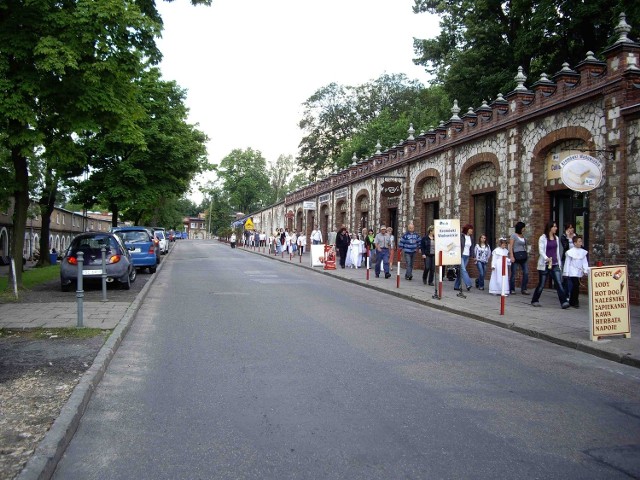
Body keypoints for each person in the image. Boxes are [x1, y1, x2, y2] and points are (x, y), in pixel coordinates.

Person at [531, 220, 570, 309]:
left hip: (555, 263)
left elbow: (557, 251)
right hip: (545, 264)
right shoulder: (543, 238)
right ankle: (535, 300)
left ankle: (564, 302)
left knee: (558, 283)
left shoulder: (556, 238)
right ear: (550, 228)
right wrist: (546, 258)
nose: (556, 228)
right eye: (554, 227)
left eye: (556, 227)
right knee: (542, 284)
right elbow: (541, 250)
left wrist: (559, 263)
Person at [562, 235, 589, 308]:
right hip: (572, 271)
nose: (581, 243)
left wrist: (585, 270)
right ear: (575, 243)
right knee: (576, 285)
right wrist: (566, 273)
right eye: (579, 241)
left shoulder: (583, 252)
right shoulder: (570, 252)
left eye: (581, 241)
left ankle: (571, 301)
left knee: (576, 286)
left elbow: (584, 262)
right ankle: (576, 301)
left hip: (579, 271)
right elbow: (567, 263)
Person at [509, 221, 529, 294]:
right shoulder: (514, 236)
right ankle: (512, 289)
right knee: (513, 273)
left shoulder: (523, 236)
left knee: (526, 272)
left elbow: (525, 245)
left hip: (523, 255)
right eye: (523, 227)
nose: (524, 229)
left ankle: (524, 288)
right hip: (516, 255)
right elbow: (511, 246)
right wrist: (511, 256)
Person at [454, 224, 475, 292]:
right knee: (463, 269)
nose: (471, 230)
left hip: (467, 256)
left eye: (472, 229)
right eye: (470, 229)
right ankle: (468, 284)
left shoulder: (471, 237)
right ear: (467, 229)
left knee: (461, 271)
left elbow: (472, 247)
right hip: (461, 255)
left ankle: (456, 286)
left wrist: (473, 255)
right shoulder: (461, 236)